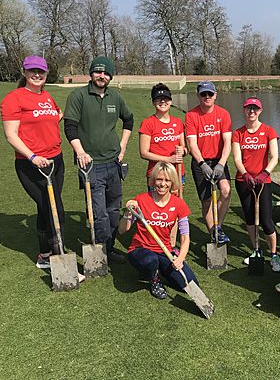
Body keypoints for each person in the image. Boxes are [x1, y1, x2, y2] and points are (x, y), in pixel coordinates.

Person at [63, 56, 134, 262]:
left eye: (105, 73)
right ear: (91, 73)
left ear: (110, 76)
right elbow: (70, 127)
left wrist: (122, 146)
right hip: (91, 165)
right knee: (98, 210)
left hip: (114, 163)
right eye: (97, 72)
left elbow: (128, 120)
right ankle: (101, 250)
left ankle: (109, 247)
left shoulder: (115, 97)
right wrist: (80, 152)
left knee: (113, 209)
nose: (101, 76)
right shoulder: (78, 96)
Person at [0, 55, 66, 270]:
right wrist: (33, 156)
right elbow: (11, 135)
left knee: (44, 206)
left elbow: (55, 115)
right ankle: (59, 256)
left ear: (46, 74)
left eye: (41, 71)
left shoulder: (47, 96)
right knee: (54, 209)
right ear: (24, 72)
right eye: (32, 71)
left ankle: (45, 254)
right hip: (32, 164)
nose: (37, 75)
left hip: (56, 160)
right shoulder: (14, 98)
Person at [119, 162, 198, 300]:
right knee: (150, 260)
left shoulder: (179, 204)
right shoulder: (142, 200)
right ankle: (154, 279)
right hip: (140, 250)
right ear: (153, 180)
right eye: (159, 179)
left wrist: (180, 259)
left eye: (167, 180)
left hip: (164, 251)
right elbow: (122, 230)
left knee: (188, 283)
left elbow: (185, 237)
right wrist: (128, 213)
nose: (162, 184)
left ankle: (160, 269)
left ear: (173, 182)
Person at [232, 97, 280, 272]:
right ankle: (256, 250)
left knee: (266, 220)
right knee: (249, 218)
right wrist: (245, 173)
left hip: (263, 182)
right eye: (248, 109)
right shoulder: (238, 133)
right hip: (244, 181)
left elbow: (274, 157)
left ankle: (275, 254)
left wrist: (265, 173)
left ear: (260, 111)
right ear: (244, 111)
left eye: (255, 109)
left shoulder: (268, 131)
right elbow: (237, 158)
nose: (252, 112)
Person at [185, 81, 232, 243]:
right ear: (198, 96)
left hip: (219, 160)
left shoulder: (223, 114)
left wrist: (221, 164)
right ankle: (213, 233)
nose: (207, 97)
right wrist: (202, 164)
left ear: (215, 95)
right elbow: (192, 144)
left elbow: (227, 142)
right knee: (206, 200)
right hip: (201, 162)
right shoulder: (191, 116)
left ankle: (218, 227)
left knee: (225, 191)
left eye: (210, 94)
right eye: (203, 94)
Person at [139, 83, 186, 189]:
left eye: (165, 99)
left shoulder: (178, 122)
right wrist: (168, 159)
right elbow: (144, 153)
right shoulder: (148, 123)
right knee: (156, 204)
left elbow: (185, 148)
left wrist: (182, 151)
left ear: (170, 101)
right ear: (153, 102)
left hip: (176, 172)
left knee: (175, 204)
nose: (163, 102)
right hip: (156, 173)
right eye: (158, 99)